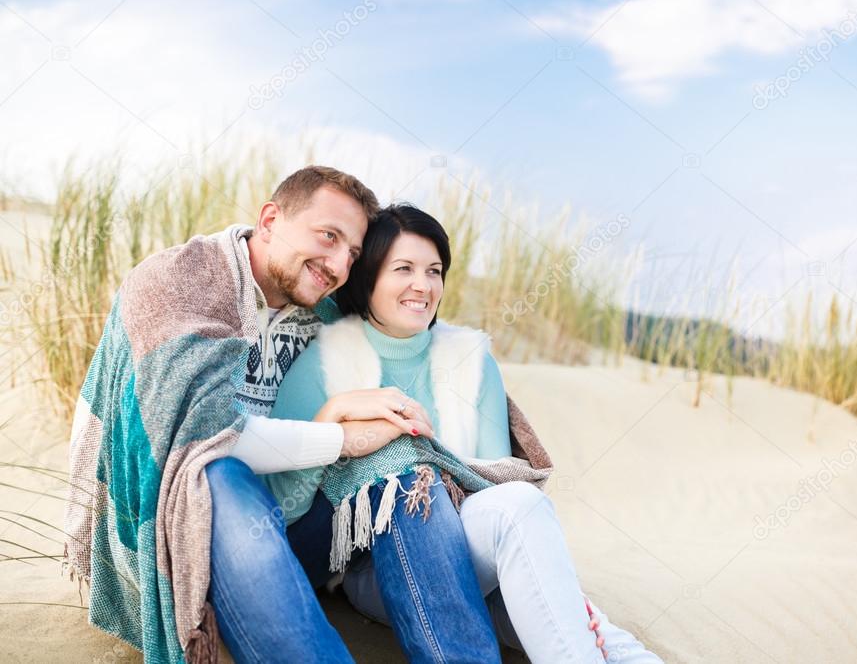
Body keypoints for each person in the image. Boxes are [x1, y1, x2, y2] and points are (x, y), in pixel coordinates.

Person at [65, 167, 504, 663]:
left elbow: (412, 337)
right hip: (175, 528)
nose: (338, 264)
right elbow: (196, 444)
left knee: (396, 455)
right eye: (328, 236)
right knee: (219, 473)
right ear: (270, 219)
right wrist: (336, 427)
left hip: (291, 528)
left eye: (353, 253)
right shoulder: (178, 283)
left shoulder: (326, 306)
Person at [264, 203, 663, 663]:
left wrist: (437, 460)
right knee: (406, 469)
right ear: (368, 276)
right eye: (404, 269)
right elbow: (283, 507)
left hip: (464, 549)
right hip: (373, 568)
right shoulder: (323, 364)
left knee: (521, 504)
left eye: (434, 271)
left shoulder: (470, 360)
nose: (423, 285)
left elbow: (493, 488)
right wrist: (342, 432)